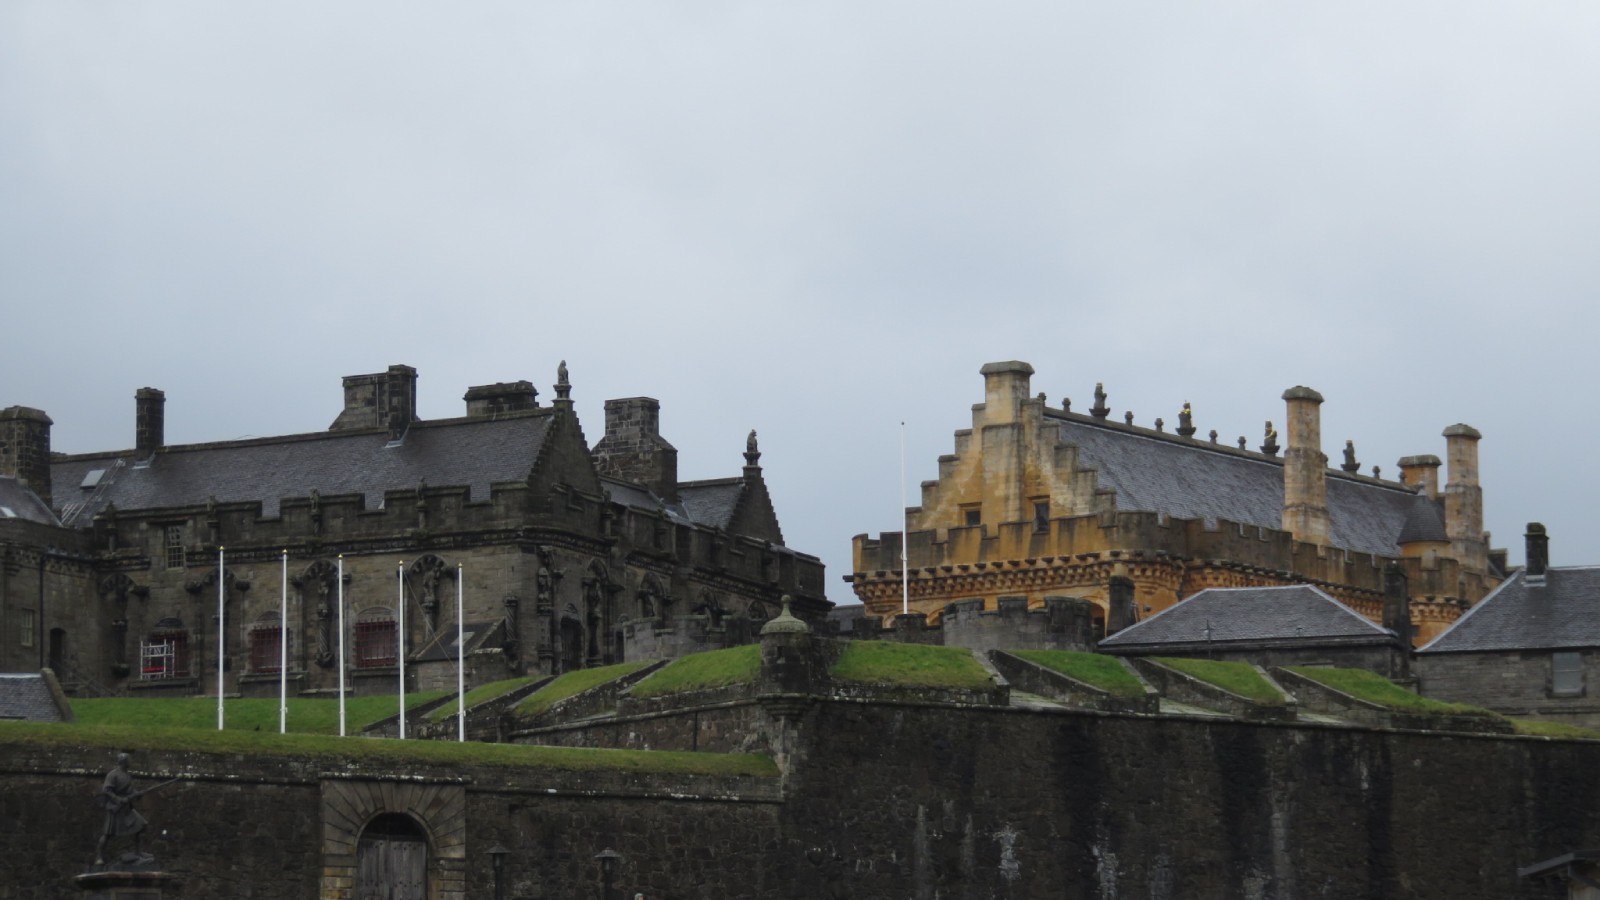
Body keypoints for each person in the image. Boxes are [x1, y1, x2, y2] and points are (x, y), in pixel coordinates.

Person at [96, 752, 147, 865]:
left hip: (126, 809)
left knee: (142, 825)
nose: (131, 762)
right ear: (124, 761)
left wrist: (137, 794)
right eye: (129, 760)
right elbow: (106, 790)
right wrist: (118, 799)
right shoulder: (113, 775)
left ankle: (138, 852)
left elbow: (129, 791)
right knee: (107, 834)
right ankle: (99, 857)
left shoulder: (127, 775)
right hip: (115, 808)